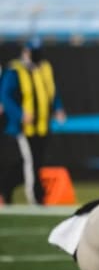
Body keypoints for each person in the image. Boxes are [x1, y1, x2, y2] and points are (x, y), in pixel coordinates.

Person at [0, 37, 66, 204]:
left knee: (34, 163)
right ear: (26, 52)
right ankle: (36, 198)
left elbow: (52, 91)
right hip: (23, 127)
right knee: (29, 162)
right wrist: (20, 114)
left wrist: (58, 108)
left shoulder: (44, 67)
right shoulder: (15, 70)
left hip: (42, 125)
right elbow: (5, 96)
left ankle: (6, 187)